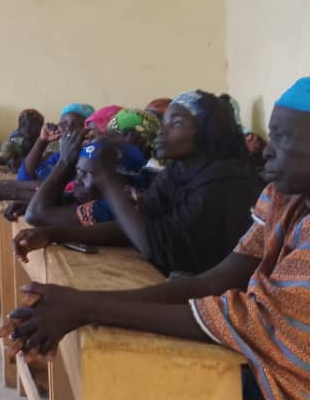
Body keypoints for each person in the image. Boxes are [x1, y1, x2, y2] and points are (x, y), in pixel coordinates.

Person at [0, 77, 310, 400]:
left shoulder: (227, 183)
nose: (263, 149)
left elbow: (253, 317)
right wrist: (82, 302)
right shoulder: (283, 197)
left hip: (279, 376)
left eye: (283, 137)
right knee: (164, 384)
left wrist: (87, 305)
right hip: (240, 333)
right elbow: (213, 282)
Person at [14, 90, 262, 277]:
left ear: (207, 133)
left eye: (175, 124)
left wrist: (106, 177)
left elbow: (155, 245)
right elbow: (135, 223)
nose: (162, 133)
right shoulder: (178, 172)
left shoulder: (225, 183)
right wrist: (54, 234)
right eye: (164, 124)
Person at [23, 131, 146, 229]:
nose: (78, 180)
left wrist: (64, 161)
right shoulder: (106, 196)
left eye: (89, 174)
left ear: (119, 178)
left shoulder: (115, 204)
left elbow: (34, 215)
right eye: (78, 171)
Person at [18, 104, 94, 182]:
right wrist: (42, 141)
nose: (68, 128)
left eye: (78, 125)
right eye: (64, 124)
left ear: (90, 131)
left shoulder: (91, 160)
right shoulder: (56, 158)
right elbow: (23, 178)